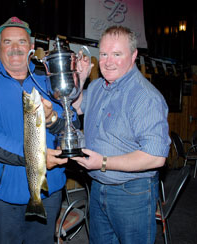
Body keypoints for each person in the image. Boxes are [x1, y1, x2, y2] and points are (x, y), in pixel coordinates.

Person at [0, 16, 79, 244]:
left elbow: (72, 125)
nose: (15, 48)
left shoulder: (49, 83)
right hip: (4, 196)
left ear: (31, 49)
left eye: (21, 42)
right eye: (8, 43)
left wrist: (53, 119)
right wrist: (36, 157)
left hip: (48, 191)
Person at [73, 26, 171, 244]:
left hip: (132, 194)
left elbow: (156, 157)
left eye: (117, 54)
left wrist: (103, 162)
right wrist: (80, 79)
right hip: (98, 187)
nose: (108, 61)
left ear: (134, 55)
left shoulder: (145, 97)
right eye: (104, 54)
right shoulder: (99, 85)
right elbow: (78, 107)